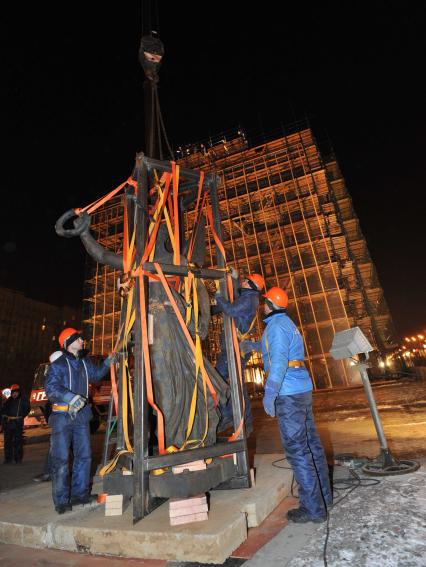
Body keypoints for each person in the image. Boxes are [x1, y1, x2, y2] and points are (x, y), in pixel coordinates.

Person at [241, 286, 332, 523]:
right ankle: (324, 498)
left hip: (288, 394)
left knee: (297, 451)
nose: (262, 306)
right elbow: (275, 350)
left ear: (270, 304)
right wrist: (253, 346)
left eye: (265, 303)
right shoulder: (286, 324)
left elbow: (279, 363)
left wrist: (269, 394)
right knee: (311, 446)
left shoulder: (275, 328)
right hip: (301, 390)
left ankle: (313, 509)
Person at [45, 327, 116, 514]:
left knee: (84, 456)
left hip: (81, 416)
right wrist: (69, 398)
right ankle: (61, 501)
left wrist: (108, 362)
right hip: (62, 417)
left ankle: (80, 494)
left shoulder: (85, 362)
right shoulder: (59, 364)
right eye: (79, 339)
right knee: (61, 460)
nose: (83, 341)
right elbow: (51, 388)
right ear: (69, 341)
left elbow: (96, 375)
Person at [212, 268, 265, 435]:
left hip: (234, 348)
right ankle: (241, 420)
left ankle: (229, 416)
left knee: (220, 380)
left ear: (251, 285)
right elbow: (234, 301)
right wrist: (234, 280)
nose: (243, 281)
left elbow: (231, 309)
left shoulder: (250, 299)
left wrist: (218, 295)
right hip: (232, 347)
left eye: (245, 280)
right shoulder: (247, 298)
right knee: (232, 383)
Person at [33, 351, 63, 483]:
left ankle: (51, 472)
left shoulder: (64, 375)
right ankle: (51, 472)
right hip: (61, 417)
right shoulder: (58, 376)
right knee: (56, 446)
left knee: (57, 446)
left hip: (67, 417)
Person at [1, 384, 30, 464]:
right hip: (8, 423)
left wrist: (20, 416)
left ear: (19, 392)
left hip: (18, 423)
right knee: (7, 442)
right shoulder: (8, 400)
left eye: (16, 392)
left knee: (18, 441)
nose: (14, 394)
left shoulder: (23, 400)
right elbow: (3, 410)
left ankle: (18, 459)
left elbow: (27, 409)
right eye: (13, 392)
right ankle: (8, 459)